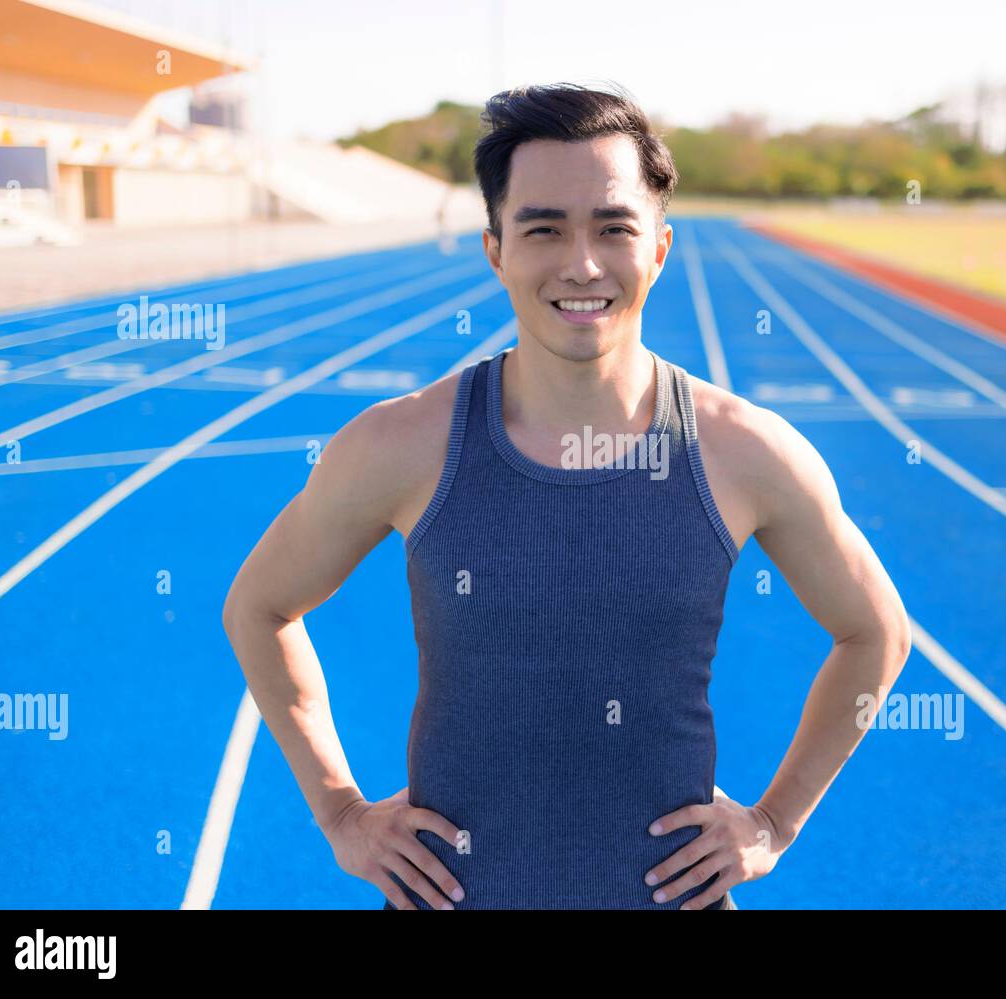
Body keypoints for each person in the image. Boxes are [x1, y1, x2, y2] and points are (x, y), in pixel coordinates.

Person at [221, 81, 911, 910]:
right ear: (495, 250)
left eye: (612, 228)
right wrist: (340, 811)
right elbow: (258, 606)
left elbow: (875, 632)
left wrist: (773, 822)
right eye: (543, 228)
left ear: (658, 247)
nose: (581, 264)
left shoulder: (744, 450)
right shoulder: (400, 443)